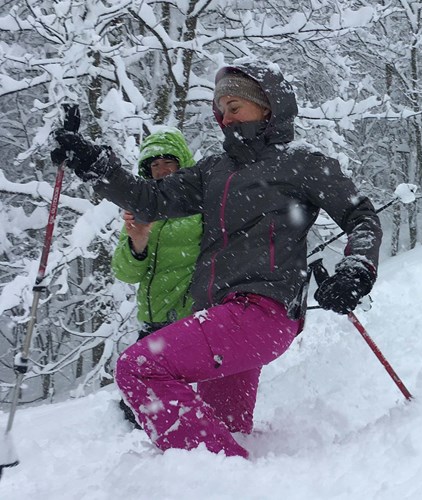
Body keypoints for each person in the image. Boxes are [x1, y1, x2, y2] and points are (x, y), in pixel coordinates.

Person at [50, 63, 383, 458]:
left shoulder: (303, 162)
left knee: (138, 367)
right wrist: (92, 162)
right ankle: (234, 480)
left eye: (234, 107)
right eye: (220, 110)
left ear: (268, 106)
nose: (225, 118)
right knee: (221, 436)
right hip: (222, 315)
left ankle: (227, 481)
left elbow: (361, 216)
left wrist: (357, 268)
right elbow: (149, 199)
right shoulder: (214, 170)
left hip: (262, 312)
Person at [110, 128, 202, 427]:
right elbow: (126, 273)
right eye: (155, 165)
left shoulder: (202, 204)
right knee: (136, 401)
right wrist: (137, 242)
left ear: (182, 163)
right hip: (154, 321)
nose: (161, 170)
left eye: (168, 162)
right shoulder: (143, 211)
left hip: (191, 319)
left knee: (167, 399)